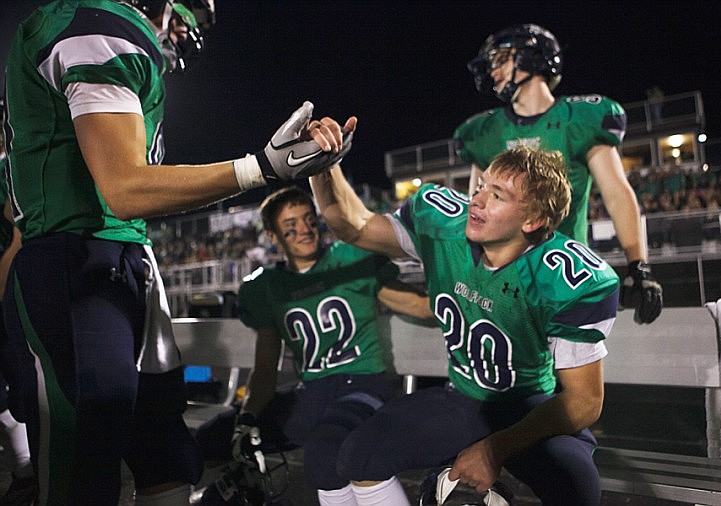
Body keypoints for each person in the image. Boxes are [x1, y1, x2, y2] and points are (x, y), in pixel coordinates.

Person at [1, 1, 356, 504]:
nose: (191, 33)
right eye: (191, 14)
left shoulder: (118, 39)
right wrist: (260, 169)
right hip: (75, 264)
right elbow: (124, 187)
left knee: (166, 456)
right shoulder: (95, 25)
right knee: (83, 470)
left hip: (128, 259)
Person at [310, 145, 620, 505]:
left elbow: (584, 402)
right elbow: (354, 226)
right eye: (481, 187)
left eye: (497, 195)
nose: (477, 200)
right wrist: (324, 166)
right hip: (462, 395)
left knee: (577, 489)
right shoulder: (445, 229)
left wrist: (496, 448)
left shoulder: (565, 277)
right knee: (358, 456)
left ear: (532, 221)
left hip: (527, 404)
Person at [221, 186, 432, 506]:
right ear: (273, 236)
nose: (305, 230)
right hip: (311, 395)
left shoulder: (350, 259)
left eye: (308, 219)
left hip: (361, 384)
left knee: (325, 450)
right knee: (213, 438)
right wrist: (247, 416)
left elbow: (419, 305)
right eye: (291, 225)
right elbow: (265, 368)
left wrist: (467, 290)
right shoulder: (266, 287)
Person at [455, 23, 662, 325]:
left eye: (501, 60)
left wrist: (638, 265)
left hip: (562, 279)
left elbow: (617, 194)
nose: (493, 71)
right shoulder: (484, 131)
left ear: (532, 58)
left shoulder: (578, 120)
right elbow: (474, 207)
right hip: (501, 284)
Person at [0, 102, 36, 505]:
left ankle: (30, 471)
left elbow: (17, 226)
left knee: (25, 389)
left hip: (16, 282)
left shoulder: (11, 165)